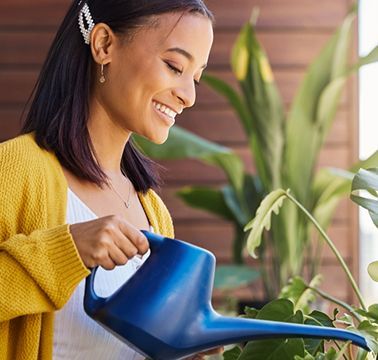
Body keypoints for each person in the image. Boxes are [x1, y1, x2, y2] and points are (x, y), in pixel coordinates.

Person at [0, 0, 220, 358]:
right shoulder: (14, 171)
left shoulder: (154, 212)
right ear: (104, 45)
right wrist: (65, 251)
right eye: (174, 66)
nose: (188, 95)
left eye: (195, 77)